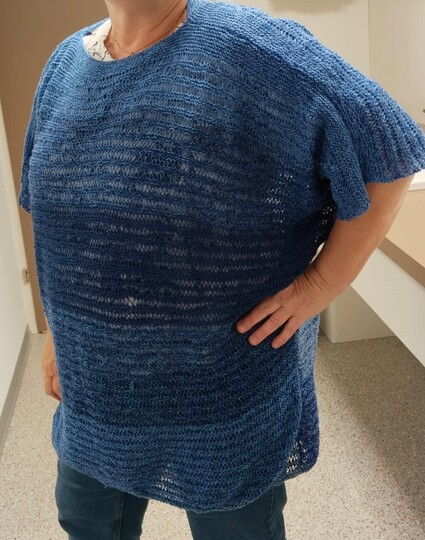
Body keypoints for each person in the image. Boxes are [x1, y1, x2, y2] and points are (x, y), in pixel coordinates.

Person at [18, 0, 425, 538]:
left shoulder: (257, 51)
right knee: (86, 521)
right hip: (95, 388)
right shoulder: (65, 65)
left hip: (222, 392)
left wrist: (320, 284)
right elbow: (62, 233)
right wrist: (59, 334)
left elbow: (389, 149)